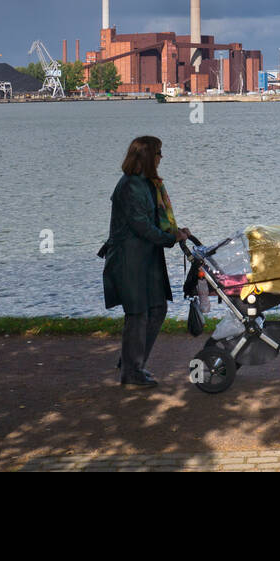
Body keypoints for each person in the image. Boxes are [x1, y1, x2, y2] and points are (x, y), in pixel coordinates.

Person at [102, 135, 193, 386]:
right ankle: (131, 371)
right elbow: (141, 226)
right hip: (129, 259)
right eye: (158, 153)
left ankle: (132, 361)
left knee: (157, 308)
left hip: (147, 257)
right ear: (146, 157)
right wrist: (170, 237)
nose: (161, 158)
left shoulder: (147, 184)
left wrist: (174, 231)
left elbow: (154, 221)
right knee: (138, 313)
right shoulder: (130, 186)